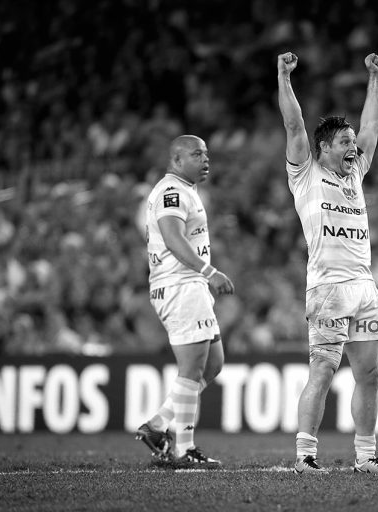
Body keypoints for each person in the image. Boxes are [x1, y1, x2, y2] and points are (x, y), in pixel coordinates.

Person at [277, 51, 378, 475]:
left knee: (369, 372)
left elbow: (373, 124)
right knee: (324, 369)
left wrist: (376, 79)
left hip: (364, 288)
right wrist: (285, 76)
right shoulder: (305, 174)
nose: (354, 146)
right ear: (324, 147)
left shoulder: (355, 173)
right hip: (327, 288)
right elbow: (294, 124)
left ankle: (366, 456)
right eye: (345, 142)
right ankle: (305, 456)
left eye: (353, 143)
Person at [135, 134, 235, 467]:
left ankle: (158, 425)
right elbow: (174, 239)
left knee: (213, 363)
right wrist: (210, 272)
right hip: (180, 285)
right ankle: (184, 448)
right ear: (177, 160)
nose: (205, 159)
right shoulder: (172, 191)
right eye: (196, 154)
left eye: (207, 154)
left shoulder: (186, 191)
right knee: (192, 368)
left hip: (189, 285)